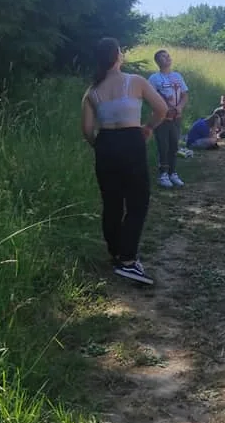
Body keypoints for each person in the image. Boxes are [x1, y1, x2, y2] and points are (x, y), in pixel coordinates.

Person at [81, 38, 168, 285]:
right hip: (131, 141)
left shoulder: (92, 92)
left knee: (111, 202)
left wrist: (98, 145)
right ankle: (128, 261)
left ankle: (116, 254)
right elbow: (161, 109)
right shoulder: (136, 81)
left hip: (105, 142)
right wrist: (148, 128)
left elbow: (87, 129)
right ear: (118, 56)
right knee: (138, 200)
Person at [149, 49, 189, 189]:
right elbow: (151, 97)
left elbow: (184, 95)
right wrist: (163, 109)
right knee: (163, 146)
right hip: (161, 118)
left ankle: (173, 172)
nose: (167, 58)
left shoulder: (177, 76)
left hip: (176, 117)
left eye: (168, 56)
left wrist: (180, 108)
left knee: (174, 145)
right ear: (158, 61)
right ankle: (163, 174)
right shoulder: (154, 78)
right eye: (163, 57)